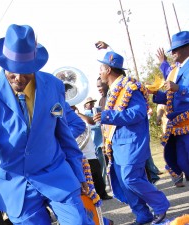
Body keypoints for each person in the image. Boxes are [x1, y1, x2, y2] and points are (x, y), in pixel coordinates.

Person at [0, 24, 94, 225]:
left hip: (55, 173)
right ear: (4, 62)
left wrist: (80, 174)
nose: (19, 78)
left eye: (26, 71)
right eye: (13, 72)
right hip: (17, 187)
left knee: (80, 221)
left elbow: (65, 136)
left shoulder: (53, 85)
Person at [94, 51, 170, 225]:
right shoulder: (113, 90)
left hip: (132, 141)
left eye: (101, 68)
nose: (99, 72)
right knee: (123, 181)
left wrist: (108, 116)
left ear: (108, 69)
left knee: (131, 178)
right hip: (117, 143)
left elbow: (137, 113)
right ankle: (142, 214)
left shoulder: (130, 86)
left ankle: (160, 204)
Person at [152, 31, 189, 186]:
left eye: (176, 49)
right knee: (183, 162)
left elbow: (178, 90)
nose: (172, 53)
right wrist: (155, 93)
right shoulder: (175, 70)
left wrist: (178, 88)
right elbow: (170, 96)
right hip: (178, 126)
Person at [73, 106, 112, 201]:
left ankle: (102, 194)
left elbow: (92, 122)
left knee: (97, 175)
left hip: (91, 154)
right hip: (80, 155)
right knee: (85, 179)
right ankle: (90, 197)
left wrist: (78, 113)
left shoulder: (82, 118)